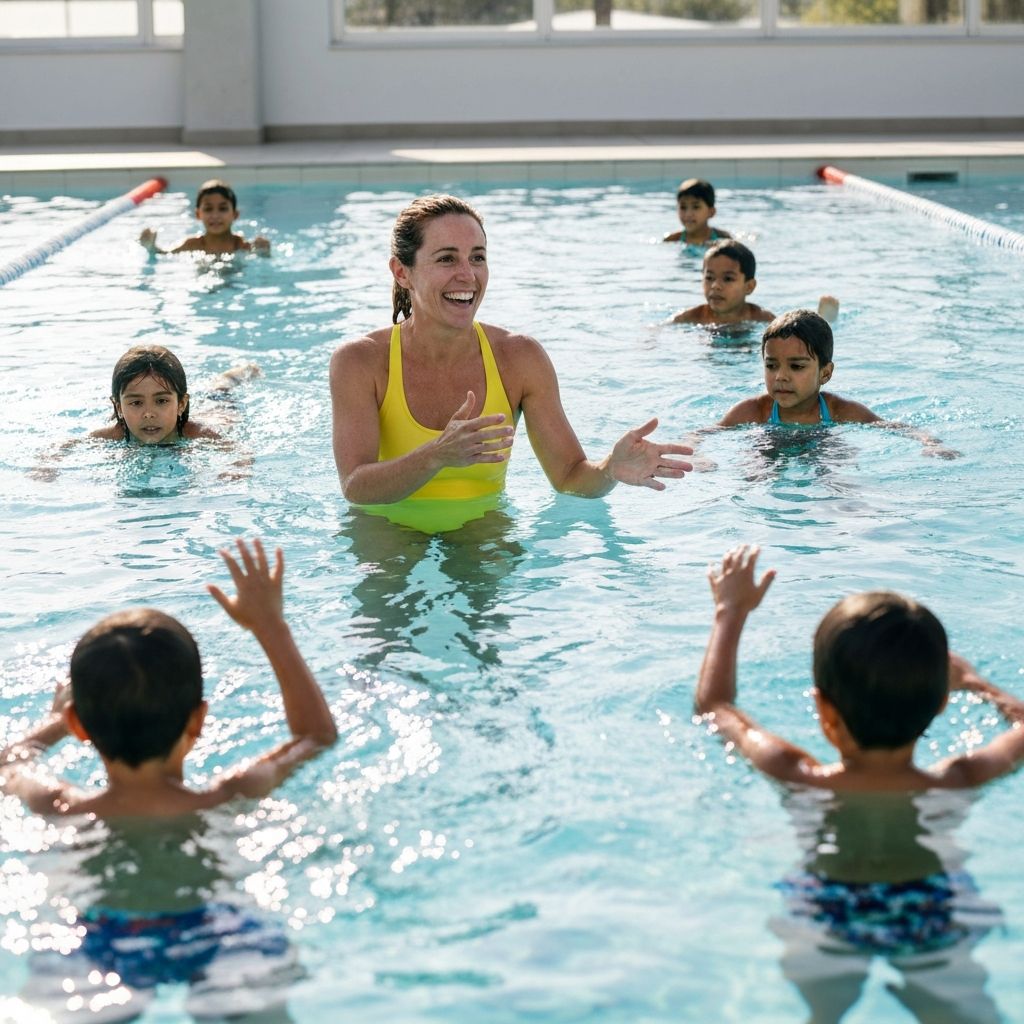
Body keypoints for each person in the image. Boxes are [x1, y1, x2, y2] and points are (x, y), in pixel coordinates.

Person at [695, 544, 1021, 1021]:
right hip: (926, 906)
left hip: (829, 906)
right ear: (938, 707)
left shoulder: (799, 776)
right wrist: (976, 683)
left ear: (825, 711)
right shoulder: (957, 781)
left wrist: (730, 612)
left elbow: (715, 708)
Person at [330, 193, 692, 518]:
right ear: (402, 272)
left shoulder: (519, 358)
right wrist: (436, 455)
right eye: (446, 259)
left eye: (478, 258)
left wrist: (610, 469)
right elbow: (356, 487)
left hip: (481, 526)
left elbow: (569, 477)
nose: (467, 275)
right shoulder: (360, 362)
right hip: (386, 526)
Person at [0, 537, 337, 817]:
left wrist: (59, 720)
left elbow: (9, 763)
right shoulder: (230, 796)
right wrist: (270, 627)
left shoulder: (59, 807)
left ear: (79, 725)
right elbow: (316, 735)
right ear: (198, 720)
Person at [715, 310, 958, 456]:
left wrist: (931, 443)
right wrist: (697, 455)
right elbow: (703, 434)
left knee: (835, 471)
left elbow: (895, 427)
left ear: (825, 373)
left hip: (821, 445)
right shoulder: (755, 410)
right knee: (756, 468)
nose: (780, 376)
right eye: (771, 365)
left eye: (796, 366)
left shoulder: (839, 411)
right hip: (771, 445)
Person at [91, 344, 258, 445]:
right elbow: (71, 445)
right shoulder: (115, 434)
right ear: (119, 407)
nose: (149, 414)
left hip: (218, 413)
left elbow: (239, 451)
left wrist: (235, 469)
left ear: (181, 404)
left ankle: (231, 377)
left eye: (161, 400)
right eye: (136, 403)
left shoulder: (198, 433)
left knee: (219, 392)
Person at [139, 179, 270, 256]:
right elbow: (165, 255)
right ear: (198, 214)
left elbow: (261, 261)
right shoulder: (192, 244)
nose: (215, 215)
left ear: (235, 215)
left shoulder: (241, 245)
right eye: (208, 209)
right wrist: (150, 247)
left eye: (223, 209)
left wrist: (264, 252)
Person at [662, 178, 732, 248]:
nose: (688, 214)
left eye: (696, 207)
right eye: (683, 207)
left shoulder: (724, 240)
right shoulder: (672, 240)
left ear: (711, 212)